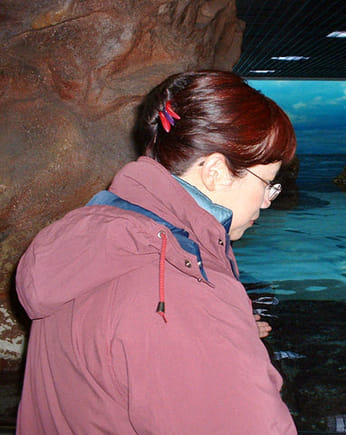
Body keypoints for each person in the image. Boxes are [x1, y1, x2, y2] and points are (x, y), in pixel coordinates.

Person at [15, 70, 297, 434]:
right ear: (215, 172)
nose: (267, 201)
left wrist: (220, 345)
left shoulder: (94, 237)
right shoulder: (180, 289)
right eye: (267, 184)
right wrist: (208, 331)